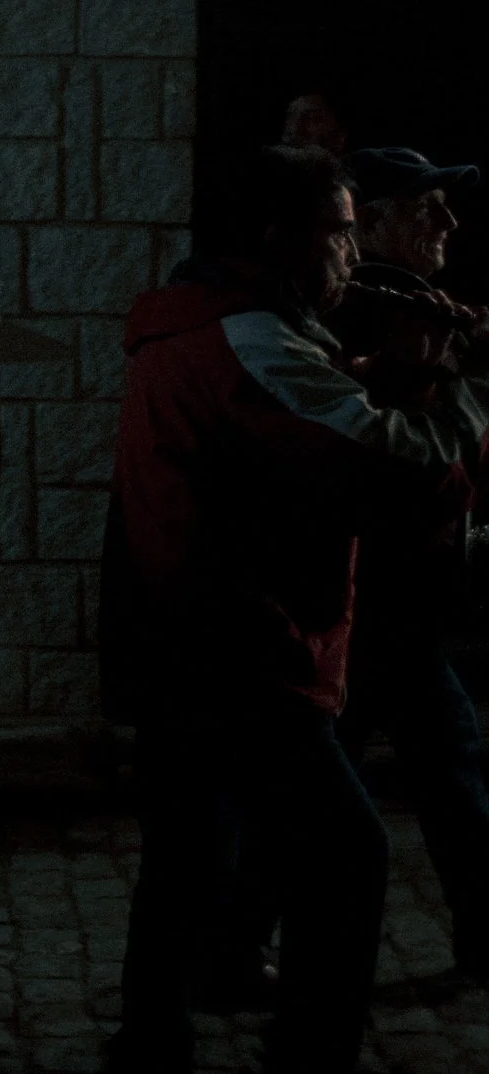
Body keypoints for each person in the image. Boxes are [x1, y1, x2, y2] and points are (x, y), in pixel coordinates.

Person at [100, 144, 479, 1074]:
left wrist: (391, 373)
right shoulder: (249, 341)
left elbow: (297, 434)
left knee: (186, 864)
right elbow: (395, 471)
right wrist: (445, 390)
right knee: (348, 853)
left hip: (184, 645)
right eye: (340, 235)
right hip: (240, 655)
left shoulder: (213, 323)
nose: (351, 260)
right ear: (275, 241)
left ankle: (151, 1048)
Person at [330, 146, 489, 981]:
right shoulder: (374, 312)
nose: (448, 225)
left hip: (390, 593)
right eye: (427, 209)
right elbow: (411, 456)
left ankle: (232, 940)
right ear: (377, 219)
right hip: (377, 590)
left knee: (414, 767)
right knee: (445, 769)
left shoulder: (406, 306)